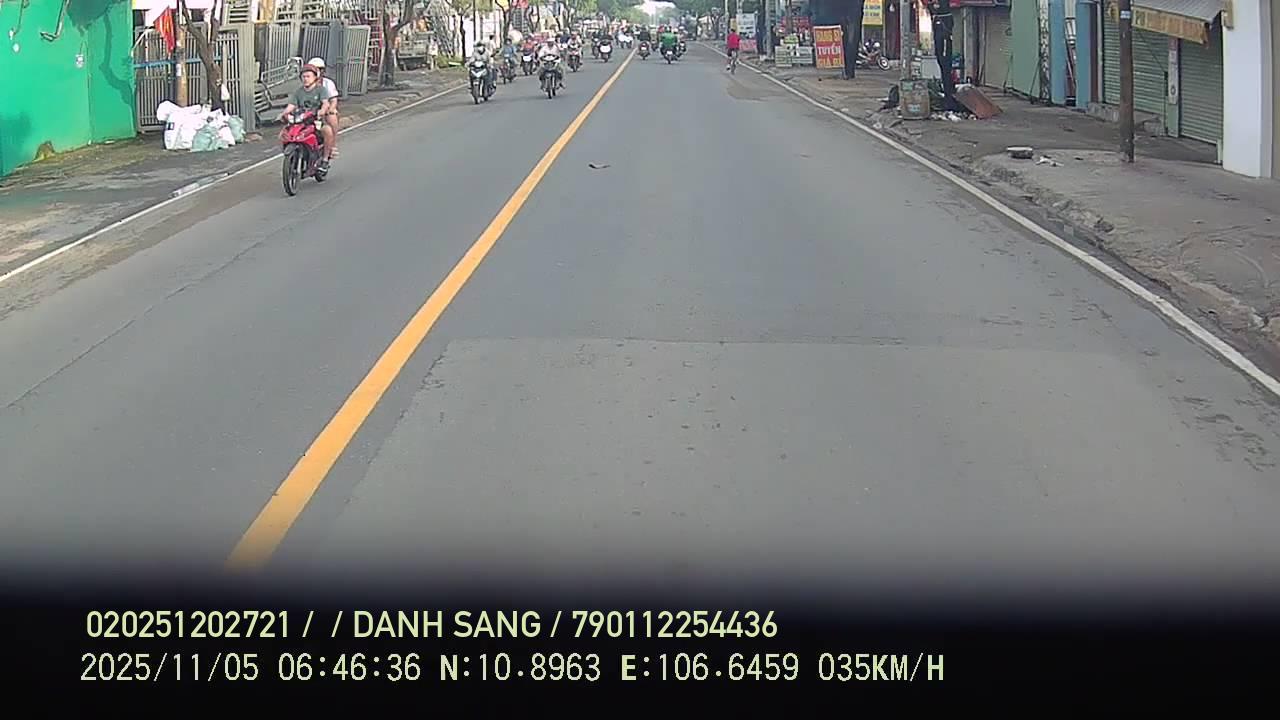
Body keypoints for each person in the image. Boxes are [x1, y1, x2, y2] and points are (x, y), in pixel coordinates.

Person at [277, 64, 334, 169]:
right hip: (300, 122)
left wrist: (322, 111)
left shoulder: (321, 90)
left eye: (308, 76)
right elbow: (291, 106)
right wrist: (283, 114)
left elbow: (325, 103)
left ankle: (325, 159)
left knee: (327, 131)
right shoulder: (298, 92)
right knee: (283, 134)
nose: (305, 79)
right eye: (303, 76)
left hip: (315, 121)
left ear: (315, 77)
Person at [307, 57, 340, 159]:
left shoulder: (328, 83)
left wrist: (331, 109)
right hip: (308, 110)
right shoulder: (305, 83)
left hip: (324, 110)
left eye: (320, 69)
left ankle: (332, 147)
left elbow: (333, 100)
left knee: (333, 119)